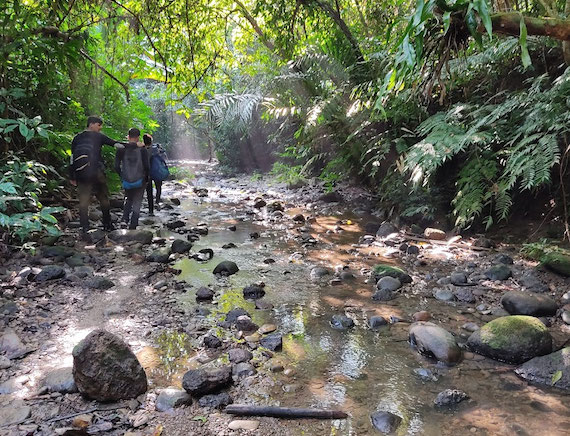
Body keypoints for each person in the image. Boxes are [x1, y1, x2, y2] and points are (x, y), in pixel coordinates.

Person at [70, 116, 124, 238]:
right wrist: (133, 145)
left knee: (83, 201)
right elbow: (116, 144)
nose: (100, 128)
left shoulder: (77, 138)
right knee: (103, 198)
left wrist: (72, 175)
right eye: (99, 125)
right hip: (96, 172)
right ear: (91, 124)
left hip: (81, 174)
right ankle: (107, 224)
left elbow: (72, 158)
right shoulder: (99, 136)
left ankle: (84, 227)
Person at [114, 128, 149, 230]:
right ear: (138, 137)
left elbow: (116, 166)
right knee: (137, 201)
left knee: (128, 199)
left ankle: (124, 220)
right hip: (140, 179)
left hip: (127, 178)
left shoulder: (121, 149)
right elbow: (147, 166)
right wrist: (146, 178)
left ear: (128, 136)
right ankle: (133, 224)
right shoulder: (142, 149)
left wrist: (122, 176)